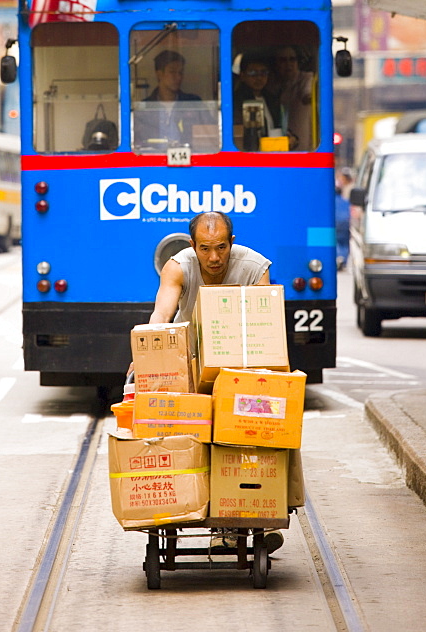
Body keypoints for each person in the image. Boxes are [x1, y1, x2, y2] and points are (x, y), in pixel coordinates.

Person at [146, 210, 283, 554]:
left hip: (240, 367)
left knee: (259, 436)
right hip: (190, 367)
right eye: (205, 249)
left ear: (231, 243)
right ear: (193, 245)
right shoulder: (179, 266)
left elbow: (263, 325)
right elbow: (162, 314)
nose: (214, 258)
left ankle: (264, 512)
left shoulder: (254, 267)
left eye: (221, 247)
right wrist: (148, 352)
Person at [134, 50, 203, 149]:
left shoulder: (194, 103)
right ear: (159, 74)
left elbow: (208, 136)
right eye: (172, 72)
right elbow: (138, 143)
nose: (178, 77)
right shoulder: (144, 109)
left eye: (180, 72)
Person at [233, 53, 282, 149]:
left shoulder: (272, 99)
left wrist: (291, 137)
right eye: (252, 73)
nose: (259, 78)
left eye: (263, 73)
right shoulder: (236, 101)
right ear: (242, 76)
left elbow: (279, 126)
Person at [273, 46, 314, 151]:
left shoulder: (306, 78)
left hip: (304, 149)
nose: (288, 64)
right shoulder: (271, 84)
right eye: (283, 60)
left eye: (292, 59)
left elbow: (307, 95)